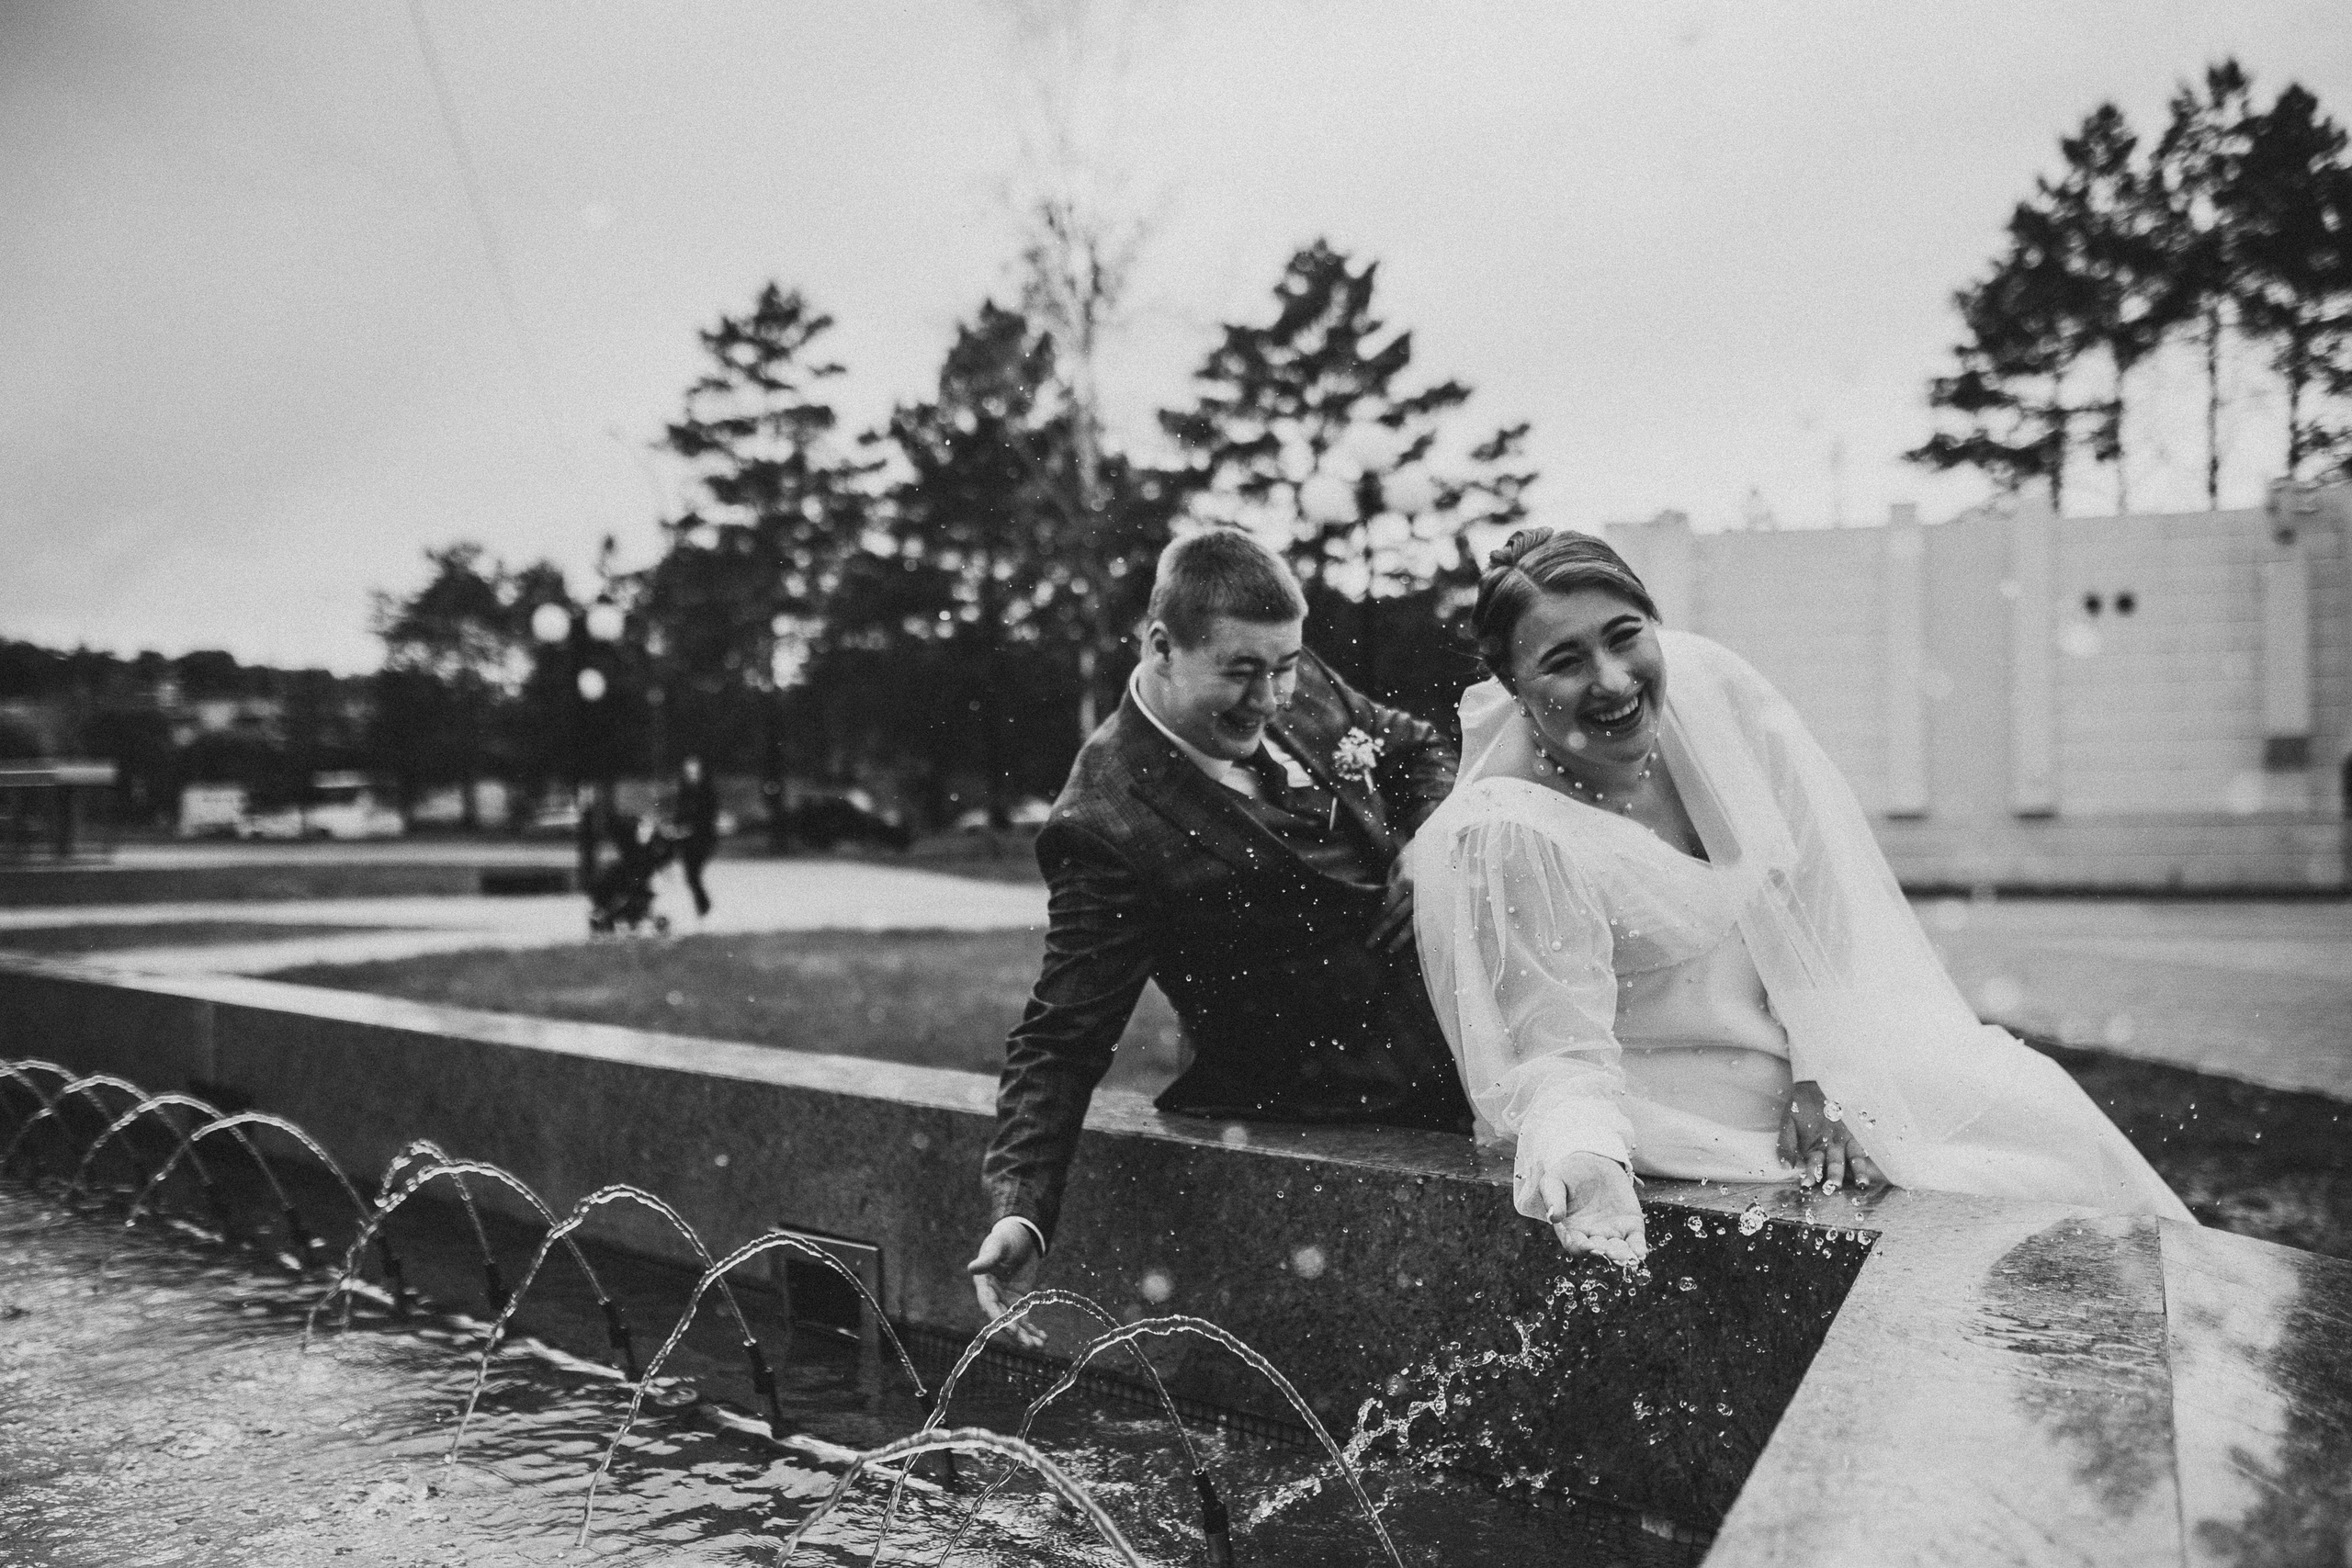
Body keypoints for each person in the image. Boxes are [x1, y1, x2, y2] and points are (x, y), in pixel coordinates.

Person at [1410, 528, 2193, 1264]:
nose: (1612, 681)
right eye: (1564, 661)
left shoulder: (1713, 691)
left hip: (1803, 1026)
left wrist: (1829, 1070)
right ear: (1512, 685)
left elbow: (1815, 888)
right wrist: (1587, 1162)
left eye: (1625, 635)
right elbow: (1558, 1050)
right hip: (1681, 1093)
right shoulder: (1513, 832)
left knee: (2040, 1115)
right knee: (1959, 1180)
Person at [968, 528, 1472, 1325]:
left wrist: (1426, 842)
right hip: (1341, 1107)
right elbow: (1061, 1036)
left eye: (1281, 668)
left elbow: (1418, 749)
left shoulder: (1286, 670)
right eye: (1240, 673)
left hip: (1471, 1033)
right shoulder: (1105, 821)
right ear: (1163, 646)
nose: (1270, 697)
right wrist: (1021, 1206)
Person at [673, 755, 718, 919]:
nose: (692, 776)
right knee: (690, 876)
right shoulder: (684, 792)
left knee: (693, 875)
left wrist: (693, 827)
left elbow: (709, 817)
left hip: (701, 839)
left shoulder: (707, 793)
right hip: (686, 840)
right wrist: (677, 828)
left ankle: (703, 906)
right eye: (689, 773)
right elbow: (679, 814)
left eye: (695, 772)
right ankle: (702, 906)